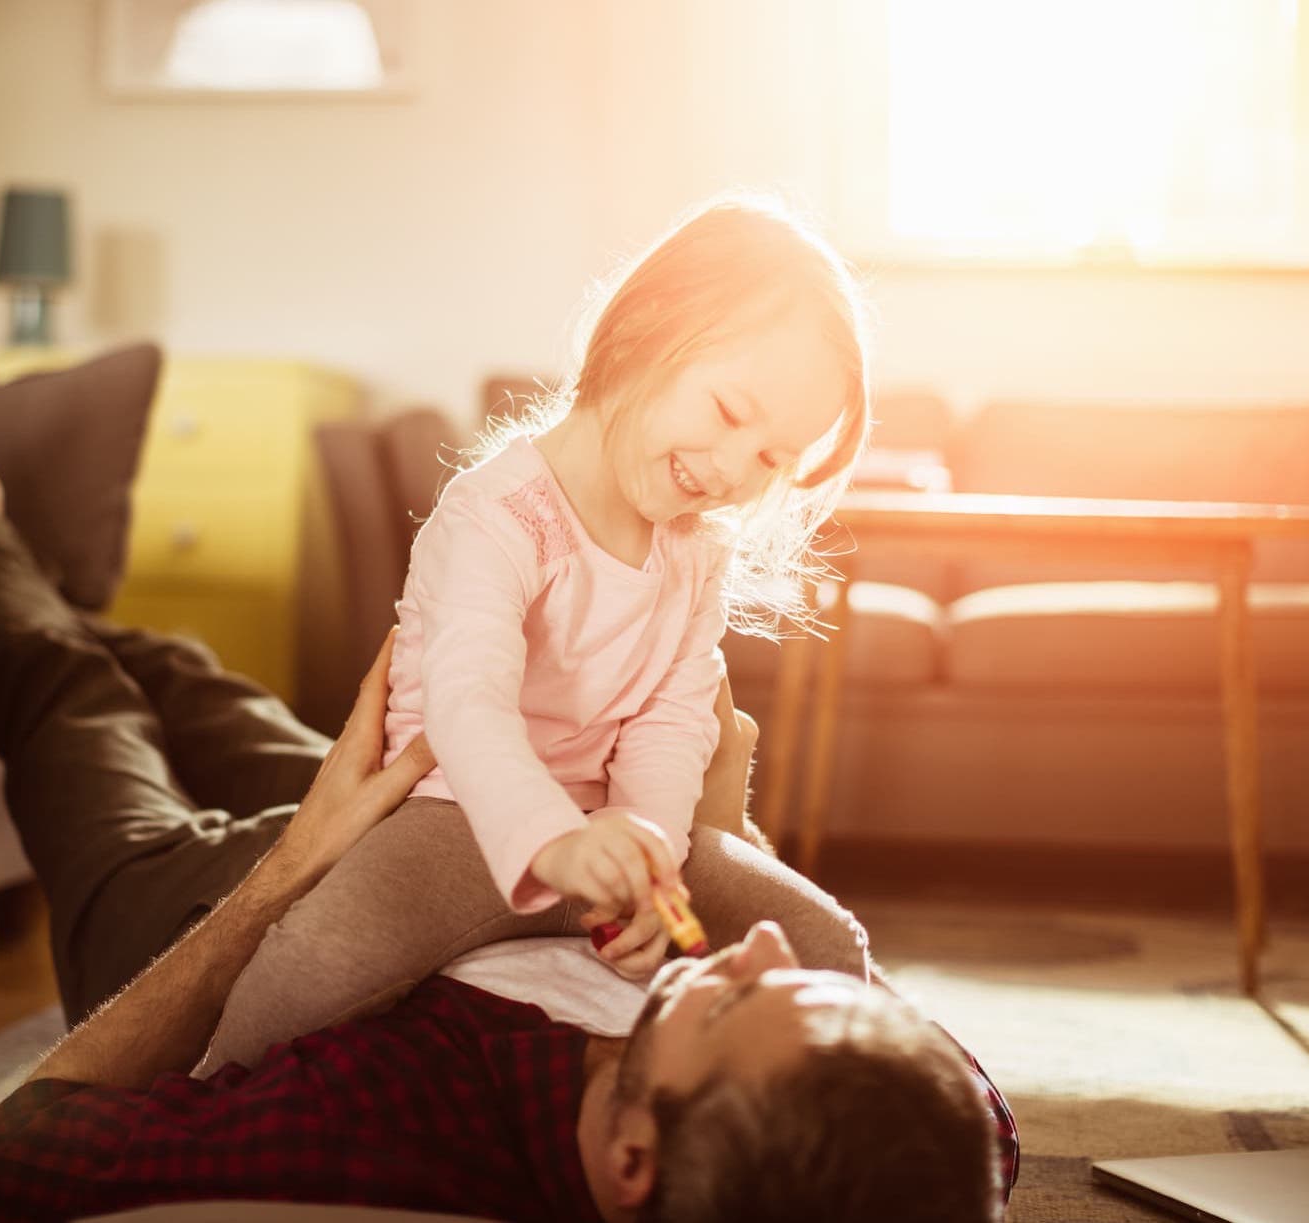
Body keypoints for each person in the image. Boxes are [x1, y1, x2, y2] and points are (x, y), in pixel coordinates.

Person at [0, 299, 1016, 1222]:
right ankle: (0, 569)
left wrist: (294, 865)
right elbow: (957, 1118)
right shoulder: (870, 1147)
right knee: (182, 668)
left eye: (738, 994)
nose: (753, 946)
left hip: (208, 909)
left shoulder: (388, 1117)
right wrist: (706, 837)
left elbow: (18, 1159)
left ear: (630, 1158)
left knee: (70, 692)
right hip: (434, 811)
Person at [199, 195, 879, 1074]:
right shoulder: (497, 512)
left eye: (772, 460)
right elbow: (467, 703)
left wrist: (647, 846)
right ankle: (186, 1108)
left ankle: (806, 1119)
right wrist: (554, 843)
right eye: (727, 409)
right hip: (459, 822)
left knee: (825, 944)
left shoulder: (694, 553)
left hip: (607, 834)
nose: (732, 466)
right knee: (310, 968)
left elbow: (673, 719)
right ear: (645, 329)